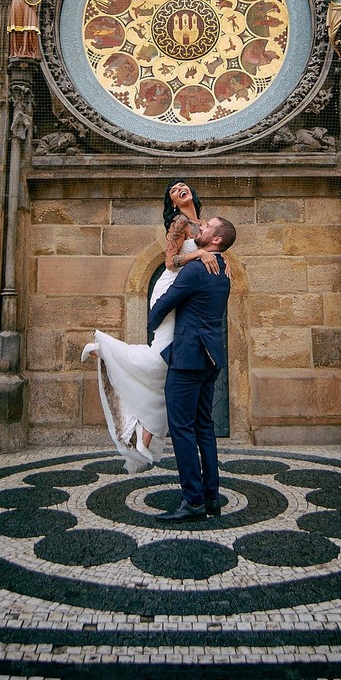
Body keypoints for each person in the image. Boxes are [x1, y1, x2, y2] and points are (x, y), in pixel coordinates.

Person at [81, 180, 228, 472]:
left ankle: (146, 434)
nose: (179, 190)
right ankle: (108, 351)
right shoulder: (179, 222)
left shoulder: (204, 223)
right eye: (173, 190)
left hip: (192, 290)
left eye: (183, 186)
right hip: (173, 286)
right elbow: (171, 262)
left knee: (170, 367)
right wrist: (199, 254)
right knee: (163, 354)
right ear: (173, 202)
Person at [150, 215, 237, 521]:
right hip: (210, 358)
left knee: (182, 428)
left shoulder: (198, 269)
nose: (201, 228)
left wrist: (152, 329)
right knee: (204, 427)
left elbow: (165, 301)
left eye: (208, 226)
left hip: (187, 358)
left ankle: (193, 501)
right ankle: (211, 497)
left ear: (216, 240)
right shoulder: (224, 269)